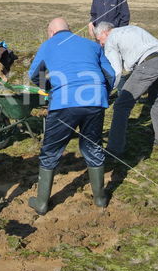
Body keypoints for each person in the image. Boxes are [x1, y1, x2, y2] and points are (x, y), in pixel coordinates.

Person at [28, 18, 115, 215]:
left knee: (51, 151)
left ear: (51, 32)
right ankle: (100, 198)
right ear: (70, 30)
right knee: (92, 146)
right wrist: (103, 93)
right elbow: (110, 74)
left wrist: (50, 89)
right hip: (95, 101)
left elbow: (35, 74)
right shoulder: (91, 44)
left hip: (64, 103)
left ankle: (42, 202)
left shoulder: (48, 45)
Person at [94, 22, 158, 157]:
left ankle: (114, 148)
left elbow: (116, 71)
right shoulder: (132, 28)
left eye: (99, 40)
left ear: (105, 33)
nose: (101, 44)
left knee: (121, 105)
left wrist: (106, 91)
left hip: (148, 64)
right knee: (156, 98)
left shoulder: (111, 39)